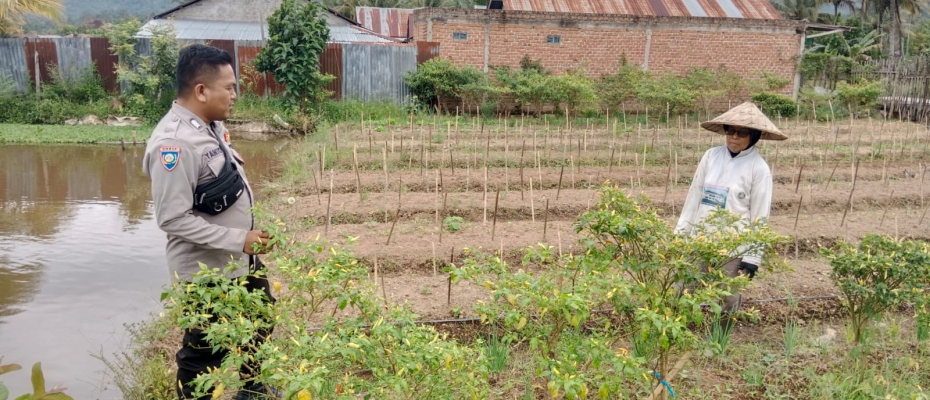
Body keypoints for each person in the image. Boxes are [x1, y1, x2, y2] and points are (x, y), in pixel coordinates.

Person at [142, 44, 275, 400]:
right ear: (201, 91)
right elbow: (171, 218)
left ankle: (251, 387)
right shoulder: (175, 144)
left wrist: (244, 242)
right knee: (203, 354)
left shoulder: (210, 126)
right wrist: (240, 239)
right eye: (229, 87)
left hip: (238, 258)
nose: (235, 95)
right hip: (207, 272)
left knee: (261, 320)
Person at [674, 102, 788, 314]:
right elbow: (694, 196)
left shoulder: (759, 169)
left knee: (728, 299)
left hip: (733, 247)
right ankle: (679, 338)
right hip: (700, 240)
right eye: (730, 131)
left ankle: (719, 342)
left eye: (741, 133)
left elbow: (759, 216)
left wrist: (752, 258)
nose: (734, 137)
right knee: (682, 290)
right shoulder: (711, 156)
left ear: (753, 136)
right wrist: (681, 234)